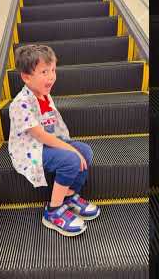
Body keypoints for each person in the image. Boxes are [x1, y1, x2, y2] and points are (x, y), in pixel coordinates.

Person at [8, 44, 100, 237]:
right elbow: (40, 135)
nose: (51, 76)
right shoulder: (19, 104)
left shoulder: (43, 94)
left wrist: (72, 148)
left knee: (86, 152)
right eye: (44, 72)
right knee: (72, 159)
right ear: (26, 77)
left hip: (48, 143)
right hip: (30, 150)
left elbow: (52, 129)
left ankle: (68, 196)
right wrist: (69, 149)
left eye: (53, 70)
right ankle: (53, 211)